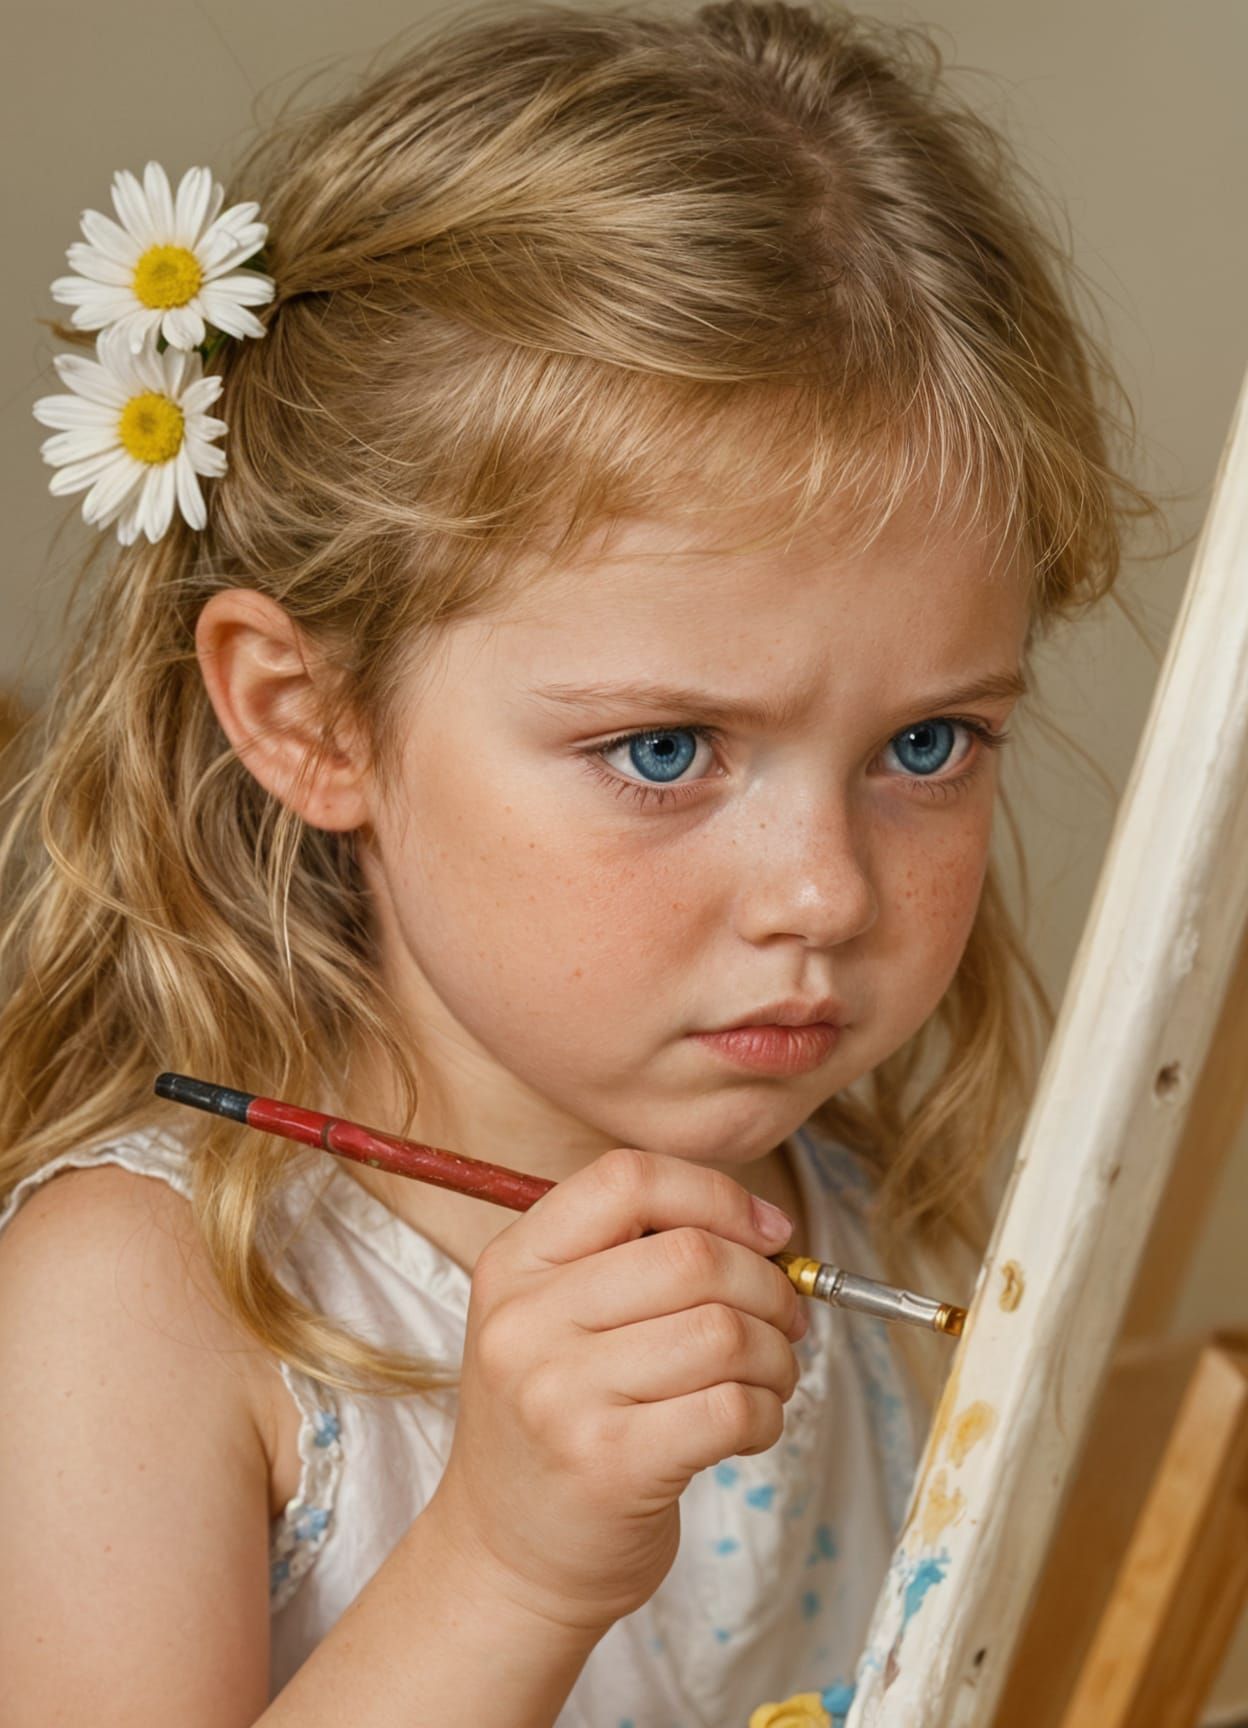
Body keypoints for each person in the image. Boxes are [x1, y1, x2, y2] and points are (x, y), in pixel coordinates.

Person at [0, 3, 1164, 1724]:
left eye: (926, 747)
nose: (824, 894)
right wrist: (510, 1565)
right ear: (310, 717)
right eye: (666, 752)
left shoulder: (855, 1202)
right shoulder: (139, 1315)